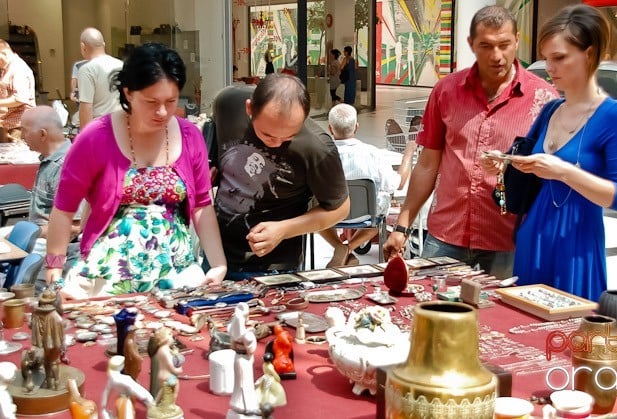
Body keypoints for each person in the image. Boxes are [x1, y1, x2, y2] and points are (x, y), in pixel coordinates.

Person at [383, 5, 558, 277]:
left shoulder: (544, 99)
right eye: (486, 46)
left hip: (508, 239)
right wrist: (402, 225)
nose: (497, 56)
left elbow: (552, 176)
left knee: (503, 318)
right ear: (471, 45)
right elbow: (428, 164)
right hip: (447, 234)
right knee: (433, 313)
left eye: (504, 44)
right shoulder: (446, 91)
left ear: (517, 40)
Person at [43, 43, 227, 297]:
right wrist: (54, 272)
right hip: (107, 278)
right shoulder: (96, 137)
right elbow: (64, 209)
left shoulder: (190, 136)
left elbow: (202, 206)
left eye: (171, 101)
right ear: (128, 93)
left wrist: (218, 264)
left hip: (176, 275)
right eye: (151, 102)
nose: (162, 112)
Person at [494, 4, 617, 301]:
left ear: (589, 53)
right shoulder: (551, 110)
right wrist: (505, 164)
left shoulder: (613, 116)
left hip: (577, 241)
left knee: (569, 335)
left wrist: (563, 171)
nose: (549, 68)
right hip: (534, 234)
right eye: (546, 58)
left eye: (559, 58)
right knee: (523, 331)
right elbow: (529, 168)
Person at [212, 73, 349, 275]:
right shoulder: (227, 104)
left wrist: (284, 230)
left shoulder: (318, 147)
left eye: (289, 136)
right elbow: (216, 141)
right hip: (215, 252)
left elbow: (341, 208)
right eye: (267, 134)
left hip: (274, 266)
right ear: (249, 109)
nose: (276, 143)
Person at [319, 103, 415, 267]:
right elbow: (396, 184)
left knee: (314, 211)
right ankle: (349, 248)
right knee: (379, 216)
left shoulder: (318, 155)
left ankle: (339, 248)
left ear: (330, 128)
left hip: (329, 216)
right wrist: (408, 154)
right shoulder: (373, 154)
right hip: (367, 216)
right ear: (356, 127)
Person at [18, 106, 82, 291]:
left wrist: (27, 232)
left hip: (58, 255)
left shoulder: (66, 167)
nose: (21, 136)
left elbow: (74, 227)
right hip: (42, 250)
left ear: (42, 134)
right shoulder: (51, 161)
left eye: (24, 130)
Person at [76, 27, 123, 130]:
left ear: (83, 46)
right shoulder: (121, 65)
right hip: (122, 127)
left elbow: (86, 107)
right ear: (104, 45)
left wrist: (85, 138)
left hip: (100, 130)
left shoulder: (87, 70)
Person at [0, 39, 35, 143]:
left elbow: (20, 99)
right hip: (8, 125)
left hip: (18, 127)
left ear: (3, 53)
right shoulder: (6, 69)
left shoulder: (18, 69)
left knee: (15, 158)